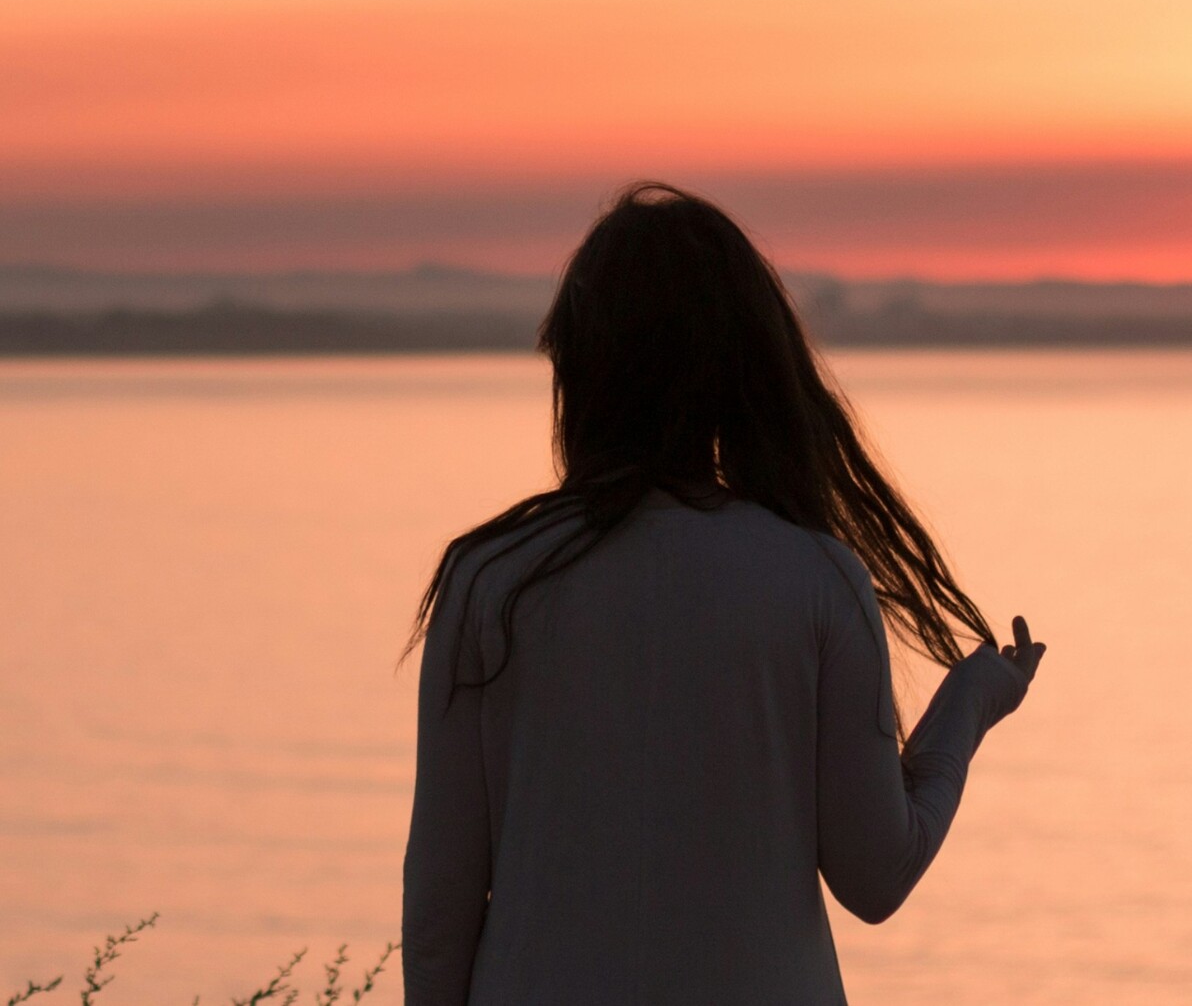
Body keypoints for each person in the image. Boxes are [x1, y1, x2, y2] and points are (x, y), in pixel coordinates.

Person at [400, 182, 1047, 1004]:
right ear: (742, 369)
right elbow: (875, 874)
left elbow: (438, 914)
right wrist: (970, 705)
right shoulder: (814, 578)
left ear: (580, 366)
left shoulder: (492, 579)